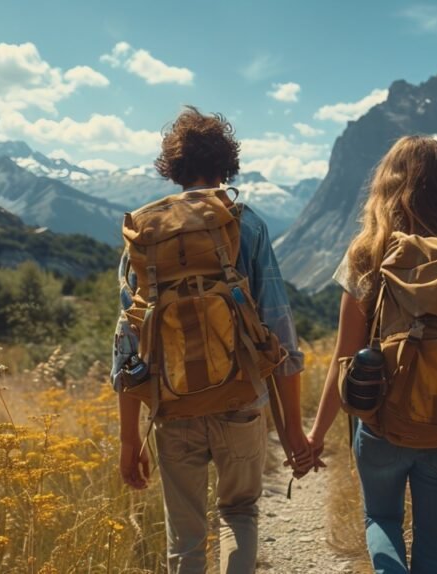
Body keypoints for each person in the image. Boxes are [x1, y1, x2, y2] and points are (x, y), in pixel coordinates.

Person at [111, 106, 314, 574]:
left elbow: (127, 344)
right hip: (241, 399)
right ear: (227, 168)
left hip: (172, 403)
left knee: (185, 538)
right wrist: (291, 431)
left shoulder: (144, 236)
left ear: (175, 172)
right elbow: (280, 331)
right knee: (238, 513)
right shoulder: (247, 224)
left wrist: (128, 441)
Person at [307, 136, 437, 574]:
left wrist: (314, 436)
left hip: (384, 424)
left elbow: (344, 356)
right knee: (436, 548)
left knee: (381, 519)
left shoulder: (368, 252)